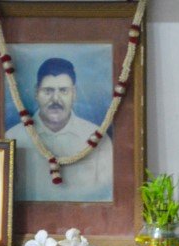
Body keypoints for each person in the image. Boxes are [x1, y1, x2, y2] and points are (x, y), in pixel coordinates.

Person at [6, 57, 113, 202]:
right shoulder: (12, 138)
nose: (55, 99)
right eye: (48, 91)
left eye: (63, 91)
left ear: (74, 93)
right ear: (36, 92)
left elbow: (108, 195)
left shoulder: (99, 140)